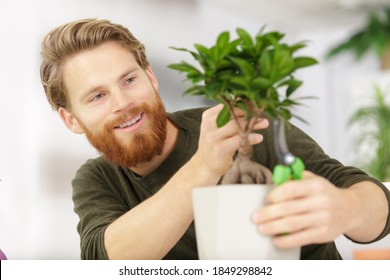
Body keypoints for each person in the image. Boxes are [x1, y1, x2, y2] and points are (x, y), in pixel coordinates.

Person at [40, 18, 390, 260]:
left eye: (129, 80)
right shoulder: (98, 178)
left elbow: (370, 202)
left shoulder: (241, 124)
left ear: (151, 77)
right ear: (71, 119)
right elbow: (106, 261)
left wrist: (347, 210)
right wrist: (203, 168)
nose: (123, 103)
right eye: (97, 96)